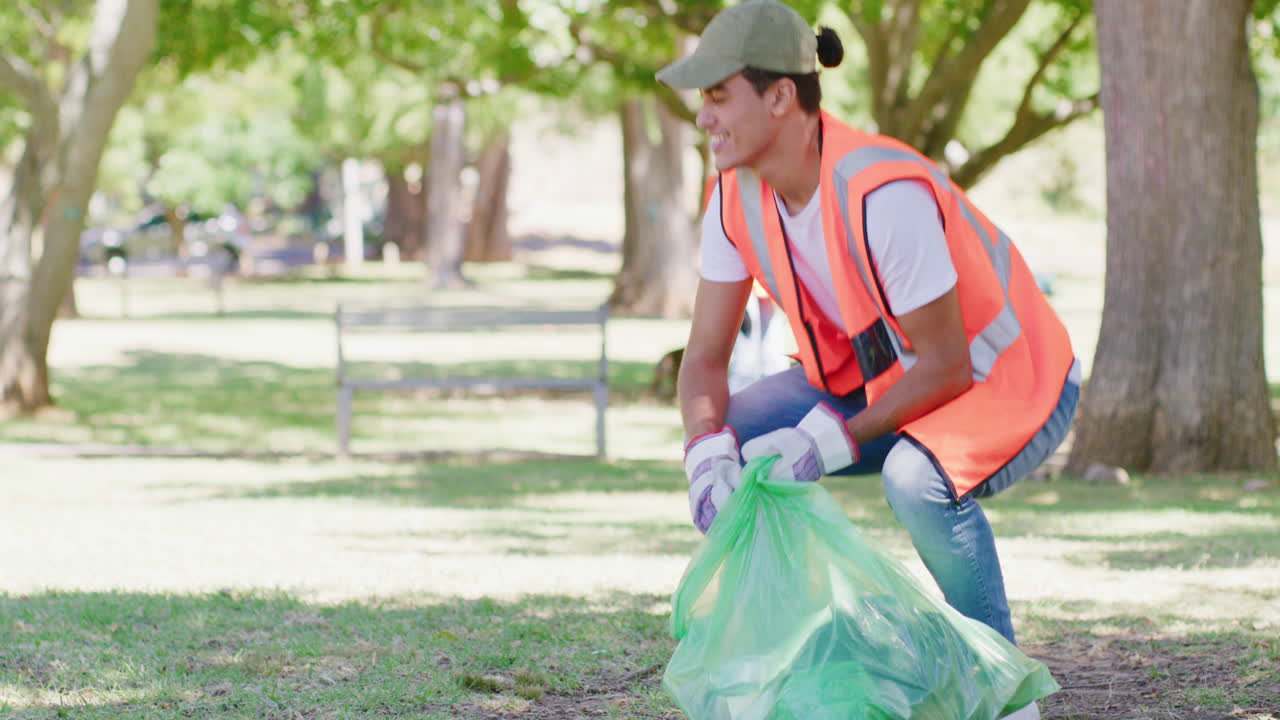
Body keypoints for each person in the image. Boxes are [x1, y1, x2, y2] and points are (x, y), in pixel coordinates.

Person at [662, 0, 1079, 670]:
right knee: (731, 438)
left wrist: (828, 440)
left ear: (779, 98)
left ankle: (1002, 682)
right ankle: (794, 657)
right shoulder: (733, 197)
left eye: (718, 95)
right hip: (889, 384)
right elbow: (705, 361)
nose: (703, 115)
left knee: (916, 480)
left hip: (1012, 382)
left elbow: (946, 367)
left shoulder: (881, 194)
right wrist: (705, 452)